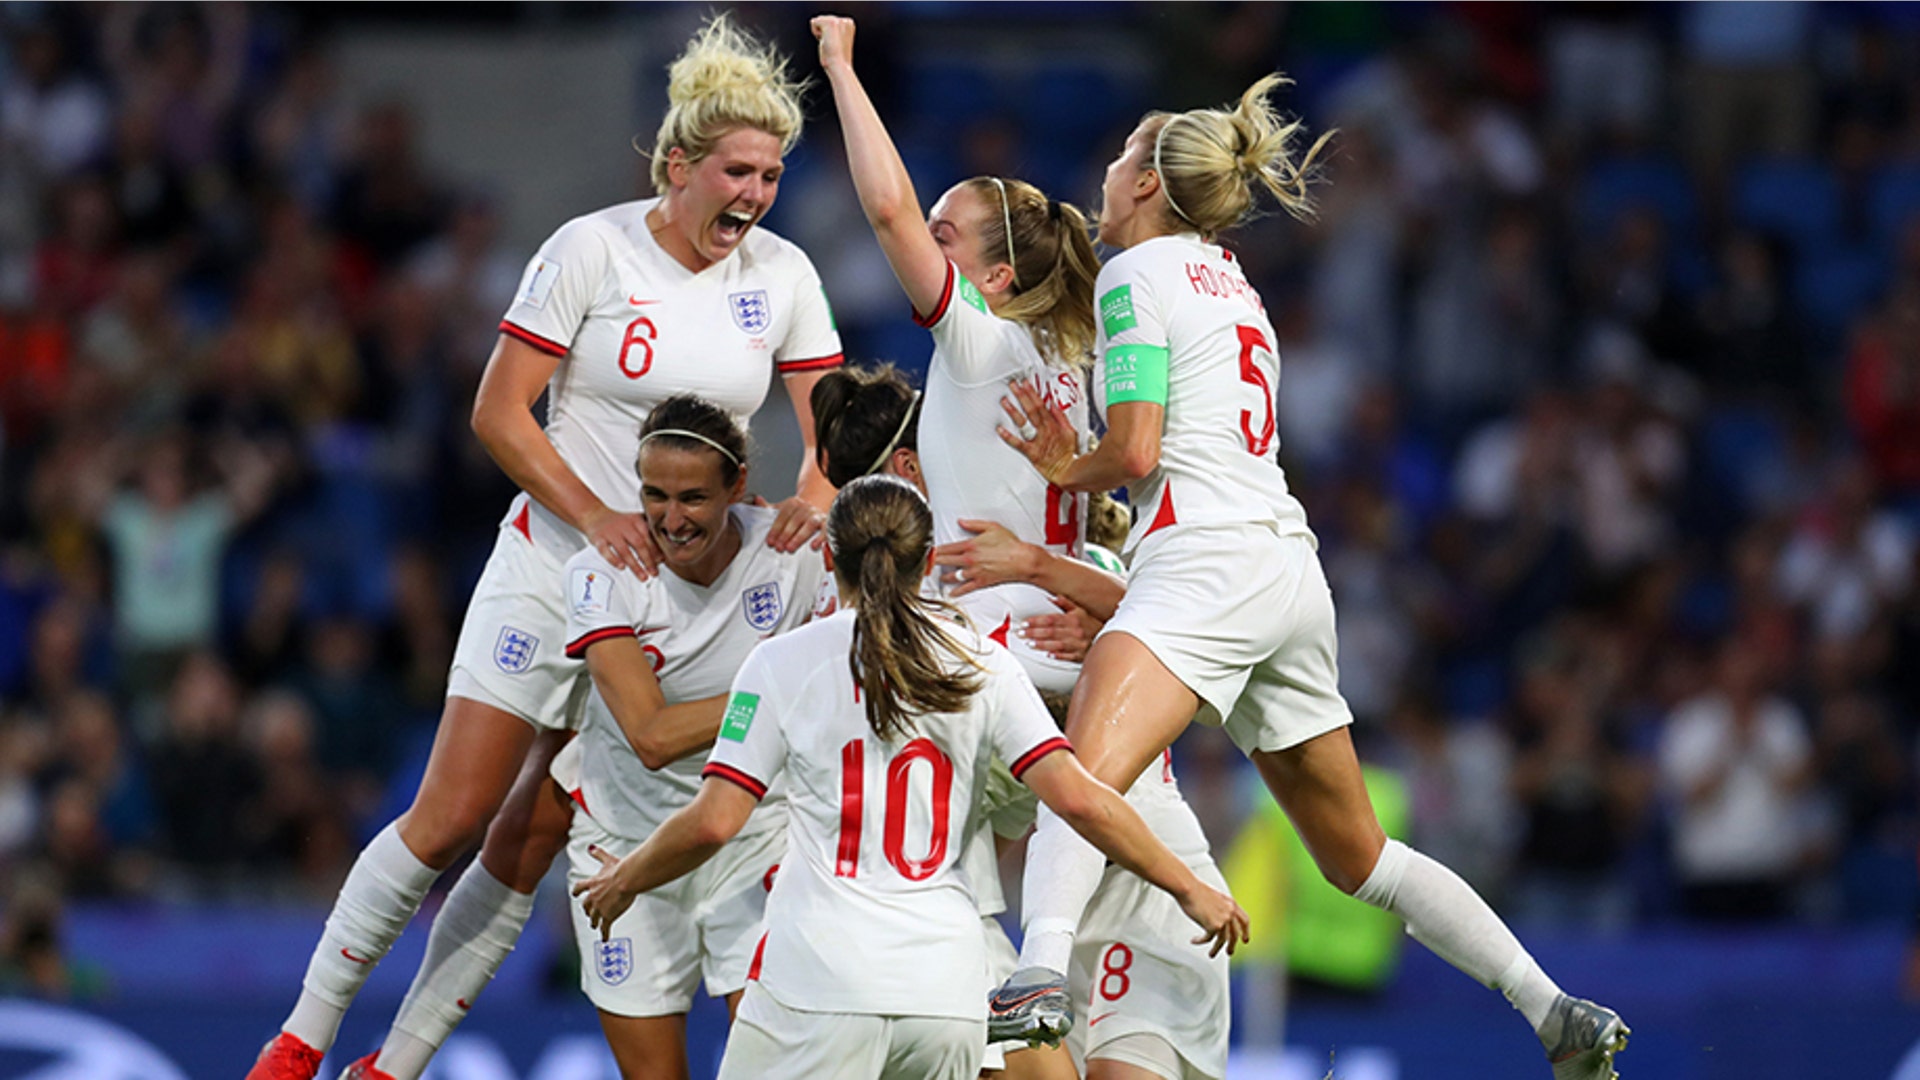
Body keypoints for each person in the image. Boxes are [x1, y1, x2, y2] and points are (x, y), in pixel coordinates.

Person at [987, 77, 1631, 1080]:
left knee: (1078, 774)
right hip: (1288, 569)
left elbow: (1140, 445)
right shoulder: (1233, 281)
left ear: (1152, 185)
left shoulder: (1135, 274)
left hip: (1203, 560)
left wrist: (1067, 464)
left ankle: (1034, 977)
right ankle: (1551, 1006)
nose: (1105, 172)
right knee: (1361, 857)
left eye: (1123, 156)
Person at [247, 15, 843, 1080]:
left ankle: (396, 1065)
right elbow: (500, 412)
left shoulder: (785, 274)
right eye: (736, 171)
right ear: (678, 164)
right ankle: (302, 1037)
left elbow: (830, 420)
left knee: (527, 843)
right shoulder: (590, 249)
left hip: (679, 597)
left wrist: (814, 485)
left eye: (771, 174)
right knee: (452, 818)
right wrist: (596, 514)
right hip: (552, 565)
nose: (754, 195)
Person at [573, 474, 1247, 1080]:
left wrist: (626, 877)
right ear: (928, 562)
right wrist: (1190, 886)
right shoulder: (982, 662)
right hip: (944, 993)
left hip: (819, 987)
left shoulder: (780, 664)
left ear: (830, 560)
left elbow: (715, 821)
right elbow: (1080, 800)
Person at [813, 14, 1099, 697]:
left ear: (996, 279)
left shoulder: (986, 343)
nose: (925, 250)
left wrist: (841, 68)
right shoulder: (1066, 362)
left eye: (944, 236)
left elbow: (887, 209)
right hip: (1061, 652)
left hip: (986, 657)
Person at [554, 396, 829, 1078]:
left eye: (694, 498)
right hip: (626, 853)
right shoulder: (600, 574)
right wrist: (784, 685)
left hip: (755, 840)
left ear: (738, 487)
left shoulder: (793, 554)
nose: (671, 520)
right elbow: (651, 736)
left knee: (775, 1068)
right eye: (654, 494)